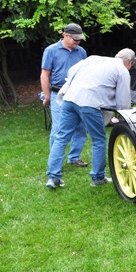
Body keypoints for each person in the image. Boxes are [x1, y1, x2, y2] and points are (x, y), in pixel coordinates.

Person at [45, 49, 136, 189]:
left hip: (70, 99)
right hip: (90, 104)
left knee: (61, 138)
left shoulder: (93, 58)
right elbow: (123, 103)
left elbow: (71, 71)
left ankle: (53, 177)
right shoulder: (122, 70)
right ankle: (98, 177)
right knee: (99, 140)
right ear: (130, 63)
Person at [40, 23, 88, 167]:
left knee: (80, 127)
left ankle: (74, 157)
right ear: (66, 35)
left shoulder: (81, 52)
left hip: (78, 94)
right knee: (59, 128)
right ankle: (55, 160)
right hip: (58, 93)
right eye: (75, 39)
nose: (78, 42)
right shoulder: (51, 50)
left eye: (80, 39)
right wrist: (47, 96)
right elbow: (44, 75)